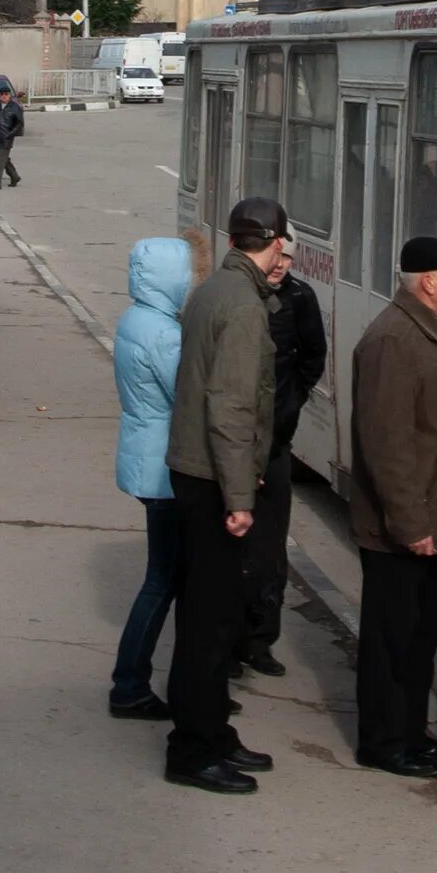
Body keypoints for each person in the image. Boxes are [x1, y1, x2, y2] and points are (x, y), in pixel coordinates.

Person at [160, 197, 290, 794]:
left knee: (208, 616)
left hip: (197, 470)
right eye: (284, 240)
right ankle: (192, 749)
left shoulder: (216, 288)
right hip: (213, 479)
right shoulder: (242, 305)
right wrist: (240, 497)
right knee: (210, 623)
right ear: (274, 240)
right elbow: (232, 406)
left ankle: (211, 731)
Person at [349, 235, 437, 776]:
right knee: (391, 640)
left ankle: (410, 731)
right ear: (429, 282)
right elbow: (388, 444)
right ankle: (383, 742)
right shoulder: (393, 341)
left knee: (420, 639)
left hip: (434, 520)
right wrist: (409, 522)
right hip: (405, 527)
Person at [107, 235, 198, 720]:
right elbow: (187, 392)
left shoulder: (139, 317)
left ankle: (134, 681)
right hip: (164, 465)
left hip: (145, 454)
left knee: (164, 576)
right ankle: (130, 684)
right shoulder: (163, 333)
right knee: (162, 580)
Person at [236, 261, 325, 678]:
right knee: (232, 548)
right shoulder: (239, 296)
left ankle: (259, 640)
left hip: (275, 447)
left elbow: (313, 358)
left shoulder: (301, 297)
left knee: (270, 551)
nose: (281, 265)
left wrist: (290, 406)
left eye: (288, 257)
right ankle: (228, 641)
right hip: (236, 446)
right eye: (276, 254)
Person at [0, 88, 26, 191]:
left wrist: (11, 134)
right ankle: (15, 176)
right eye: (2, 94)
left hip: (7, 137)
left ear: (9, 95)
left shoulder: (15, 107)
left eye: (6, 94)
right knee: (4, 159)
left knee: (0, 161)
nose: (4, 96)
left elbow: (19, 123)